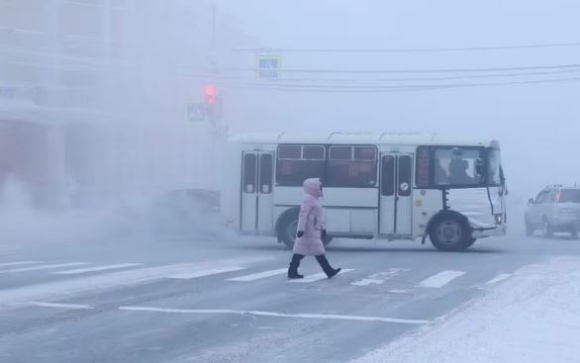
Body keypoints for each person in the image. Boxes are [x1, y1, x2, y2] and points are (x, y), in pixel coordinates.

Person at [287, 177, 342, 279]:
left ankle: (292, 271)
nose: (320, 188)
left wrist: (323, 228)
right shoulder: (308, 198)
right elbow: (303, 214)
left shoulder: (314, 199)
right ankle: (329, 271)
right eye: (318, 186)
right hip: (308, 231)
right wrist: (301, 229)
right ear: (313, 187)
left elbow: (318, 216)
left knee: (300, 252)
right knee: (317, 251)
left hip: (312, 230)